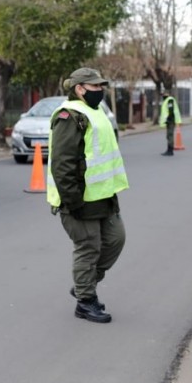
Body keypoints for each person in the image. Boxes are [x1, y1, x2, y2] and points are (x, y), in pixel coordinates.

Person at [47, 67, 129, 324]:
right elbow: (62, 164)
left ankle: (86, 283)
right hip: (80, 201)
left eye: (101, 86)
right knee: (88, 248)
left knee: (116, 239)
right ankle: (85, 301)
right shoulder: (68, 116)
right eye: (95, 87)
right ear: (80, 89)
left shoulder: (96, 111)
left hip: (103, 196)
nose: (100, 91)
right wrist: (72, 203)